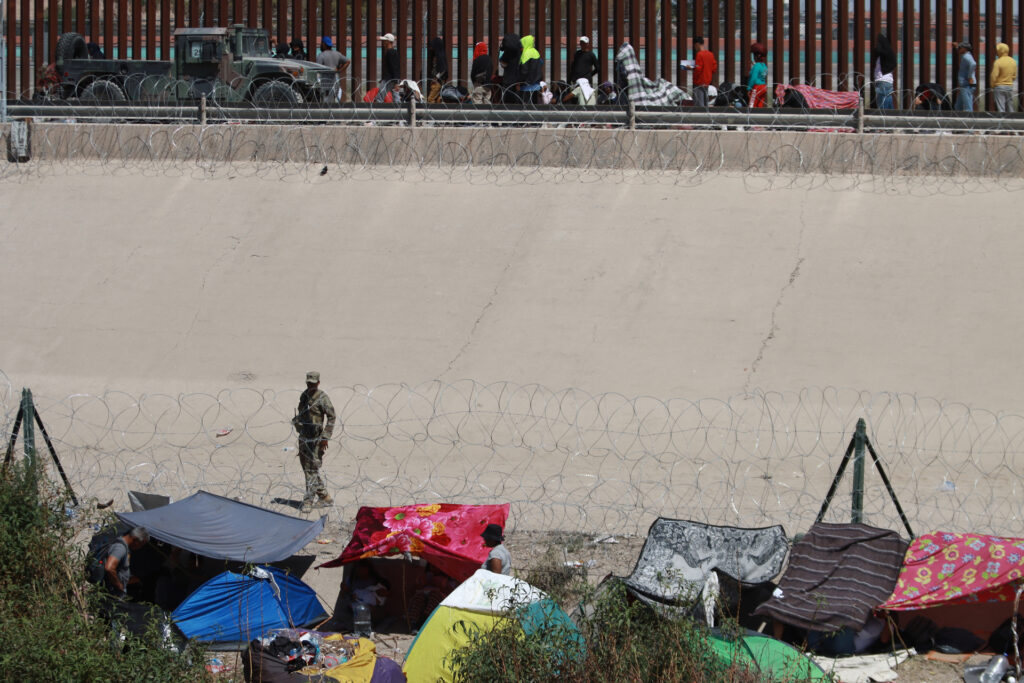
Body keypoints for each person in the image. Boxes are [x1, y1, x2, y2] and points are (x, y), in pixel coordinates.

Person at [292, 371, 336, 512]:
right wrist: (297, 422)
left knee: (311, 469)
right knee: (308, 469)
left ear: (318, 383)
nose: (310, 385)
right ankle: (324, 497)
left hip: (316, 440)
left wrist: (325, 437)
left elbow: (331, 417)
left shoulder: (322, 398)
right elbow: (301, 413)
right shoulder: (304, 396)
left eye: (313, 383)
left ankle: (308, 501)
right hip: (304, 437)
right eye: (308, 382)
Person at [104, 527, 150, 598]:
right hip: (112, 592)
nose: (140, 547)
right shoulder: (120, 548)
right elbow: (109, 568)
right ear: (136, 540)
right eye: (141, 544)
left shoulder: (124, 548)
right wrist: (119, 586)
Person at [684, 36, 717, 108]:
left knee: (699, 105)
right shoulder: (710, 54)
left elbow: (698, 69)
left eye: (694, 46)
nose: (695, 48)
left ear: (697, 44)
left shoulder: (699, 54)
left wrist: (693, 71)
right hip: (707, 82)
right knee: (705, 103)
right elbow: (714, 68)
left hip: (699, 82)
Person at [871, 33, 897, 109]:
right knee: (888, 102)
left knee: (882, 105)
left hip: (882, 81)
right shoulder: (889, 53)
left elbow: (878, 50)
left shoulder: (883, 55)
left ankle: (883, 119)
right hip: (888, 81)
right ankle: (890, 118)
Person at [991, 42, 1017, 113]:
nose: (996, 52)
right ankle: (1012, 122)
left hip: (999, 86)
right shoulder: (1013, 61)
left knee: (1001, 107)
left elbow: (994, 75)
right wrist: (1009, 81)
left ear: (1000, 51)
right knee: (1010, 106)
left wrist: (992, 85)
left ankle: (1002, 122)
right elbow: (1014, 75)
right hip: (1009, 86)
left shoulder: (998, 62)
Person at [498, 33, 523, 103]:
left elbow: (504, 64)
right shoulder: (520, 52)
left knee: (508, 102)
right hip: (518, 80)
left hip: (508, 80)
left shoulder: (507, 53)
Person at [519, 35, 543, 104]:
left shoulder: (526, 53)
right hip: (537, 85)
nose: (521, 47)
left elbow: (524, 71)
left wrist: (519, 82)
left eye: (522, 44)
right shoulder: (535, 52)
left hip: (527, 86)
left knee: (525, 107)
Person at [955, 40, 977, 111]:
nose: (958, 49)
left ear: (964, 49)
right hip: (964, 84)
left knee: (968, 106)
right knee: (958, 106)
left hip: (967, 85)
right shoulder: (965, 55)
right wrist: (956, 46)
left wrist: (970, 77)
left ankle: (970, 120)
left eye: (960, 48)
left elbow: (973, 64)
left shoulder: (966, 57)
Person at [427, 37, 449, 103]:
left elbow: (443, 69)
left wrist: (436, 77)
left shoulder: (440, 56)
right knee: (437, 99)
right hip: (435, 81)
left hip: (438, 82)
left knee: (430, 99)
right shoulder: (437, 55)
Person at [747, 42, 768, 108]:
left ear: (757, 56)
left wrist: (749, 88)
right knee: (760, 105)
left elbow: (753, 79)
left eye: (754, 55)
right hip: (764, 87)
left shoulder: (756, 66)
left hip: (756, 87)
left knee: (752, 105)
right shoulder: (764, 66)